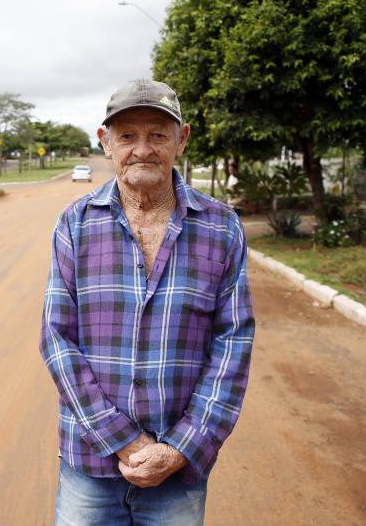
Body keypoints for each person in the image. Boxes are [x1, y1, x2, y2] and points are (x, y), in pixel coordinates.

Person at [39, 79, 255, 525]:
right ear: (106, 142)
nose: (143, 149)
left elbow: (233, 343)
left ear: (182, 139)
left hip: (178, 467)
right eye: (127, 136)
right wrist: (122, 439)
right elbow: (57, 339)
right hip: (90, 460)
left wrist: (181, 447)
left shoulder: (222, 227)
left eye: (157, 134)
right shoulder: (76, 224)